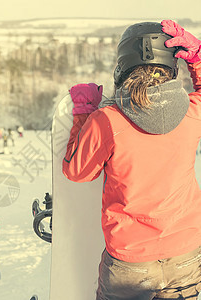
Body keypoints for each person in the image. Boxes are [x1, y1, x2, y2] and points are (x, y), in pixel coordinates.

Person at [63, 20, 201, 299]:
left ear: (123, 65)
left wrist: (83, 114)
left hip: (131, 262)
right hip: (185, 254)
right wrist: (197, 57)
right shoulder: (192, 112)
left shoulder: (107, 120)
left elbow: (78, 172)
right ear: (172, 66)